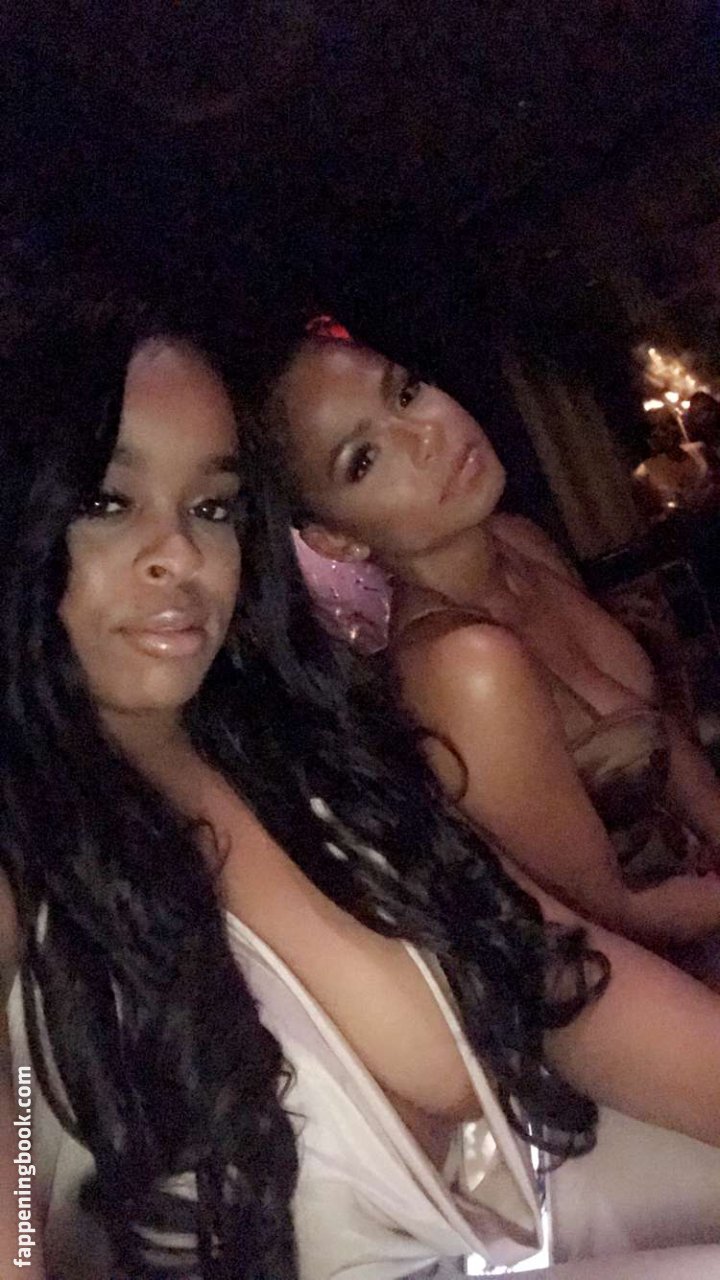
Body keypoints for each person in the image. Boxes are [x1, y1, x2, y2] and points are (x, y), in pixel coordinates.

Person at [3, 304, 720, 1280]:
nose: (180, 554)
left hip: (538, 1199)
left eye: (212, 506)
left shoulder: (301, 752)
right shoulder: (27, 854)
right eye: (108, 500)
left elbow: (554, 971)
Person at [255, 327, 720, 955]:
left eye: (406, 392)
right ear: (337, 539)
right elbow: (604, 917)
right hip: (656, 975)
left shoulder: (520, 542)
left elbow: (662, 734)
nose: (426, 434)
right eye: (363, 459)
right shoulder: (461, 663)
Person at [631, 408, 720, 522]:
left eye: (673, 423)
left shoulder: (699, 450)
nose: (672, 430)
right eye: (663, 428)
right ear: (650, 438)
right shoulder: (643, 474)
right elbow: (650, 515)